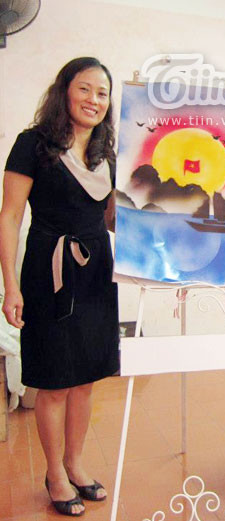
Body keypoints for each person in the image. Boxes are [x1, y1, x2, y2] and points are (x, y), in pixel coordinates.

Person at [0, 57, 119, 516]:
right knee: (54, 381)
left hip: (96, 274)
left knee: (85, 378)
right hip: (48, 272)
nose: (94, 100)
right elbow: (10, 216)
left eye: (102, 93)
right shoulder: (33, 144)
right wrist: (11, 287)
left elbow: (110, 217)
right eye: (85, 89)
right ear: (65, 91)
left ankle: (75, 463)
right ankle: (54, 473)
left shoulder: (107, 154)